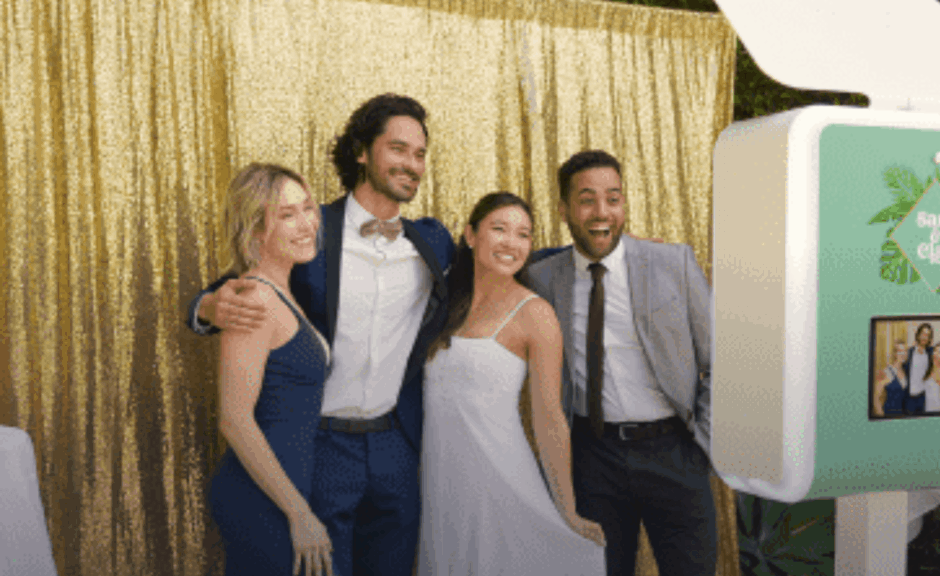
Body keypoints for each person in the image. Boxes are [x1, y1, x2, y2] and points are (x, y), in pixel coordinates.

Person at [187, 94, 456, 576]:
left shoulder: (432, 242)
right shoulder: (313, 229)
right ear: (361, 152)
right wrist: (204, 308)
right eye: (397, 149)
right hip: (323, 444)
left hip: (395, 444)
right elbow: (240, 285)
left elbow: (497, 264)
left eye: (419, 154)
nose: (411, 164)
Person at [523, 150, 717, 576]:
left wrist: (700, 444)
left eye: (613, 198)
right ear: (563, 210)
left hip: (674, 452)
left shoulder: (673, 263)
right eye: (587, 200)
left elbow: (721, 361)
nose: (602, 211)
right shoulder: (543, 278)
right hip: (594, 458)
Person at [417, 192, 606, 575]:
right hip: (441, 485)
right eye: (499, 229)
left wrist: (567, 508)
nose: (511, 243)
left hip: (499, 481)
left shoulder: (534, 313)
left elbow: (549, 417)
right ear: (471, 235)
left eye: (523, 234)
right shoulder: (444, 304)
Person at [207, 163, 334, 576]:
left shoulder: (283, 293)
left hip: (286, 488)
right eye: (287, 215)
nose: (307, 224)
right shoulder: (255, 298)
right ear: (256, 230)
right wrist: (299, 513)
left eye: (308, 208)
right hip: (263, 497)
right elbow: (234, 419)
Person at [903, 323, 933, 415]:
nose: (924, 337)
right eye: (923, 333)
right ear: (918, 335)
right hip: (909, 398)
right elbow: (899, 365)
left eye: (927, 335)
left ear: (929, 338)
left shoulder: (930, 353)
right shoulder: (909, 352)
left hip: (923, 397)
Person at [873, 341, 909, 417]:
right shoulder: (887, 371)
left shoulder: (905, 371)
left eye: (905, 351)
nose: (903, 354)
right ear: (895, 354)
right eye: (900, 351)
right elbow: (875, 398)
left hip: (901, 415)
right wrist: (882, 417)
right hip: (888, 414)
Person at [922, 343, 940, 413]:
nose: (936, 354)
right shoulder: (929, 370)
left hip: (937, 411)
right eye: (935, 351)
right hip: (927, 410)